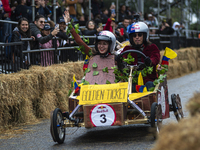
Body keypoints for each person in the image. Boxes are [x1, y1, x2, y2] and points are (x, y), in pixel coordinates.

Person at [63, 10, 117, 84]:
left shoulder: (115, 58)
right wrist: (70, 25)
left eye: (104, 44)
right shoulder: (91, 53)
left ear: (110, 45)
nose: (101, 46)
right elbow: (79, 42)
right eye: (99, 43)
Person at [120, 21, 160, 91]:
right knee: (128, 87)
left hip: (148, 79)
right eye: (134, 36)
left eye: (140, 35)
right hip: (132, 79)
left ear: (144, 36)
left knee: (149, 85)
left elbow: (156, 58)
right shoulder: (127, 49)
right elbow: (122, 59)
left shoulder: (152, 47)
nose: (137, 37)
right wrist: (119, 59)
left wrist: (150, 61)